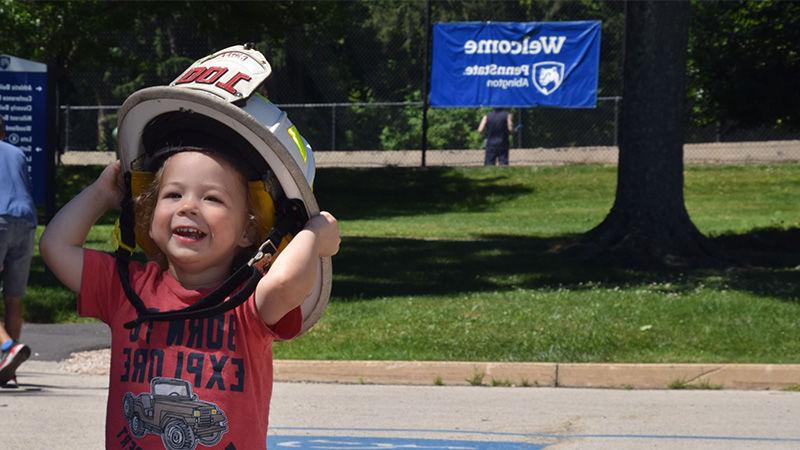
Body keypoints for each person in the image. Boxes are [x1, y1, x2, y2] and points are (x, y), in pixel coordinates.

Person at [39, 45, 340, 449]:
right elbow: (56, 247)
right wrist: (101, 193)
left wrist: (312, 235)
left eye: (212, 199)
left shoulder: (249, 302)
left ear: (250, 231)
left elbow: (286, 283)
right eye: (172, 195)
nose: (189, 208)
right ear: (147, 208)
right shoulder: (129, 288)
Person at [0, 115, 35, 386]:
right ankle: (9, 370)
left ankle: (7, 347)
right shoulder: (17, 153)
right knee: (14, 298)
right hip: (26, 221)